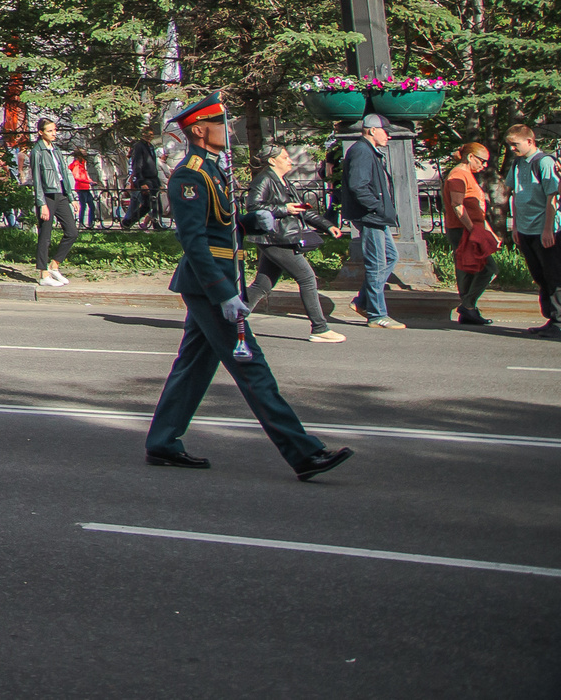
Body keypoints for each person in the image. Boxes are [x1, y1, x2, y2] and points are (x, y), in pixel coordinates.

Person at [143, 96, 351, 481]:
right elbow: (195, 241)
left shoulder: (212, 169)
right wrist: (224, 293)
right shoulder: (191, 174)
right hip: (210, 285)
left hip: (219, 279)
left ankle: (162, 442)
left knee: (192, 367)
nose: (229, 129)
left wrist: (248, 223)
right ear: (200, 131)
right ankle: (303, 453)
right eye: (221, 124)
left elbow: (219, 227)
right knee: (252, 368)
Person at [242, 147, 345, 342]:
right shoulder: (264, 179)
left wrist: (327, 225)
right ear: (272, 161)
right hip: (274, 238)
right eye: (285, 157)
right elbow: (253, 207)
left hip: (282, 237)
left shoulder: (284, 181)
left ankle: (232, 321)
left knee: (262, 284)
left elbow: (301, 210)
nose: (290, 160)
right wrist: (284, 209)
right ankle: (320, 328)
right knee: (307, 278)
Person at [337, 114, 404, 329]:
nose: (389, 137)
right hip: (370, 216)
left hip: (375, 215)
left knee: (390, 257)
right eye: (386, 131)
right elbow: (358, 186)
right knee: (377, 264)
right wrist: (377, 207)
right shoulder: (361, 151)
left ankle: (362, 301)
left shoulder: (368, 151)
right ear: (372, 130)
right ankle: (377, 315)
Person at [499, 123, 558, 338]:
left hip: (544, 228)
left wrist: (548, 229)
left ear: (530, 141)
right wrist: (515, 225)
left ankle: (559, 321)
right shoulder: (517, 163)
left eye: (515, 145)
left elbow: (552, 197)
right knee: (540, 276)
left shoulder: (544, 162)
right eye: (510, 145)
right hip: (525, 229)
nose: (512, 149)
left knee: (553, 274)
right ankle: (552, 318)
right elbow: (514, 194)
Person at [444, 142, 499, 328]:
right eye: (482, 161)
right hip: (463, 230)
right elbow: (457, 205)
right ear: (470, 157)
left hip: (469, 228)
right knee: (487, 268)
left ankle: (469, 309)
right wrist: (472, 229)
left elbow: (475, 209)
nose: (483, 166)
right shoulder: (459, 174)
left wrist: (489, 232)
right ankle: (468, 305)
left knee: (469, 268)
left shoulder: (466, 174)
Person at [27, 118, 82, 287]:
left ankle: (54, 266)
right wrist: (41, 203)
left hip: (61, 194)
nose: (54, 133)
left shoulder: (56, 150)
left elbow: (64, 174)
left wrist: (72, 197)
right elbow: (37, 180)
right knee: (45, 235)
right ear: (41, 132)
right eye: (50, 131)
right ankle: (44, 274)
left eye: (54, 130)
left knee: (72, 232)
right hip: (48, 196)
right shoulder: (37, 151)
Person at [124, 135, 164, 230]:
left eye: (151, 134)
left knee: (153, 204)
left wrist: (158, 184)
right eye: (148, 135)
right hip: (145, 180)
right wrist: (142, 182)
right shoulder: (139, 147)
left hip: (152, 180)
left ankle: (156, 224)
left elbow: (153, 166)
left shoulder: (150, 147)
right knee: (148, 204)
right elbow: (137, 166)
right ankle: (128, 222)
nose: (150, 137)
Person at [72, 151, 97, 229]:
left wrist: (91, 181)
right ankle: (81, 223)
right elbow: (77, 177)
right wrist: (88, 181)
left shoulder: (82, 164)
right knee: (83, 206)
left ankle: (91, 223)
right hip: (81, 188)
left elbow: (86, 175)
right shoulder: (77, 164)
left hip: (86, 188)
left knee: (92, 206)